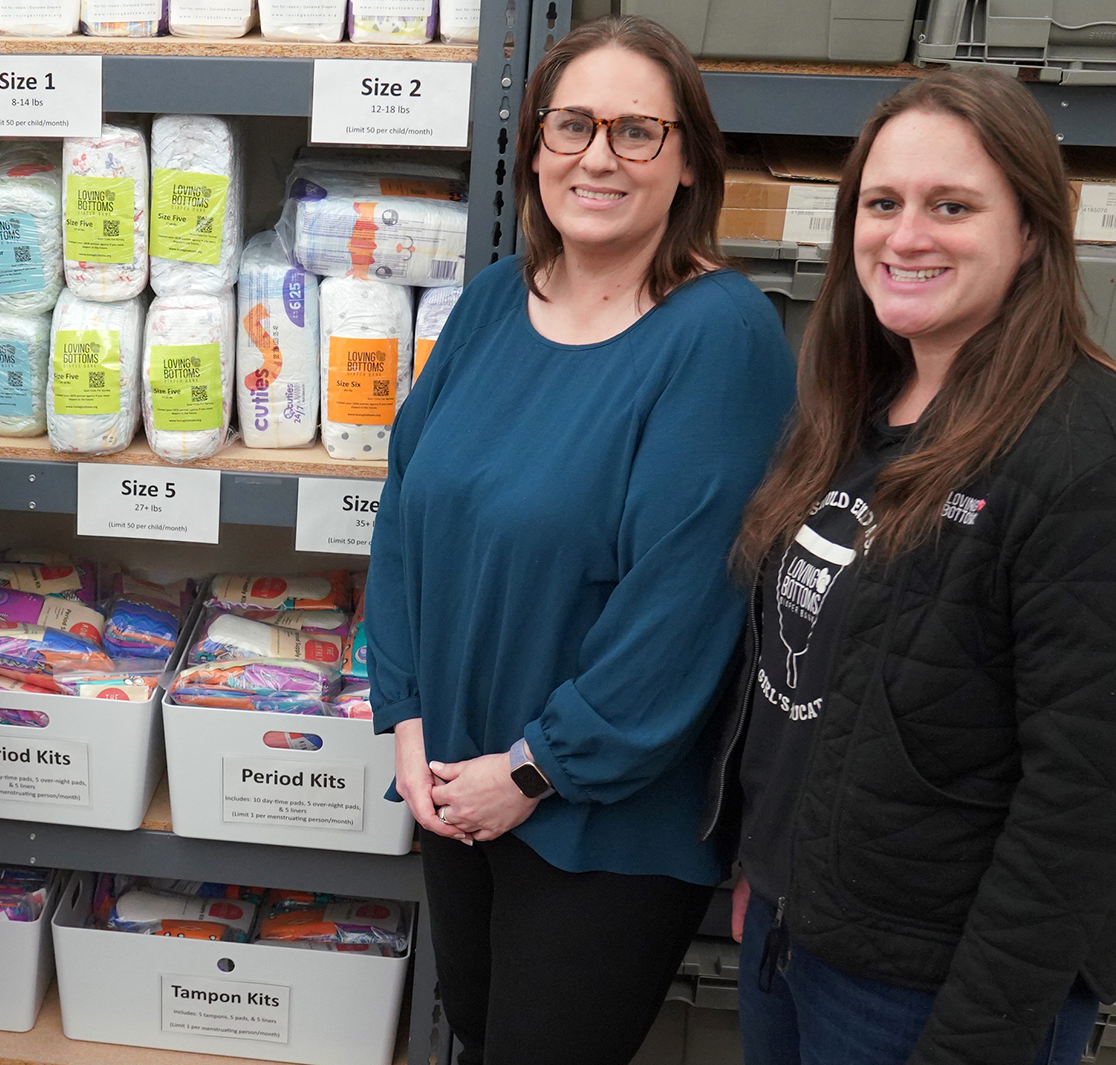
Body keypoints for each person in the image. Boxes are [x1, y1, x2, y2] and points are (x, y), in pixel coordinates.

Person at [714, 67, 1116, 1065]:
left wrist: (979, 1039)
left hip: (932, 988)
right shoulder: (855, 406)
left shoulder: (1095, 452)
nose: (907, 235)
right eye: (882, 204)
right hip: (797, 935)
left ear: (1030, 231)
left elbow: (1083, 805)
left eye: (952, 206)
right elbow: (806, 679)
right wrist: (769, 863)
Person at [364, 16, 795, 1064]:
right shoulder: (492, 303)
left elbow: (687, 603)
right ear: (536, 148)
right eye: (572, 126)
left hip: (597, 816)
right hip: (451, 779)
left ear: (688, 160)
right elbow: (407, 512)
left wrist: (532, 770)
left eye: (636, 131)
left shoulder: (719, 335)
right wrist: (408, 721)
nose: (597, 156)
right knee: (475, 1030)